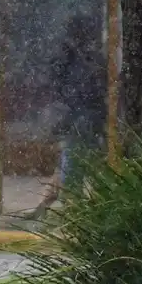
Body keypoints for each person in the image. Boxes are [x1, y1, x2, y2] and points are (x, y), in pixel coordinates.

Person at [31, 14, 106, 217]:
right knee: (73, 162)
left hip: (84, 119)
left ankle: (54, 207)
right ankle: (58, 208)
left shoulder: (84, 57)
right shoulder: (76, 56)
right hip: (82, 119)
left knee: (74, 163)